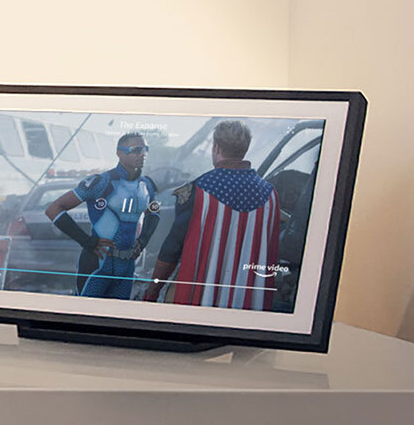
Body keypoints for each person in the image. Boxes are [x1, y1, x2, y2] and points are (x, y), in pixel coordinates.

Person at [141, 120, 285, 309]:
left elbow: (172, 248)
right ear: (244, 149)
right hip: (247, 305)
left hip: (200, 301)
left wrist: (153, 290)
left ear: (216, 148)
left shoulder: (198, 190)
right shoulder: (270, 194)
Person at [42, 132, 160, 300]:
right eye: (136, 149)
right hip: (98, 264)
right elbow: (54, 209)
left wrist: (143, 241)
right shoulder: (101, 182)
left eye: (145, 149)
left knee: (117, 321)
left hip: (126, 266)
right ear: (119, 153)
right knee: (84, 319)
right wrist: (86, 241)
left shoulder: (147, 185)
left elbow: (154, 213)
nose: (143, 154)